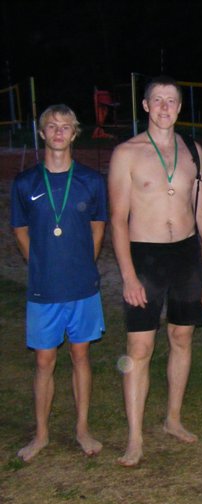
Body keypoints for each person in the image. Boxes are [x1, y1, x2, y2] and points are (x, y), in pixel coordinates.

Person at [109, 75, 202, 467]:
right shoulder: (127, 153)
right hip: (145, 256)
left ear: (180, 107)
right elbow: (117, 220)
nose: (165, 107)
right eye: (158, 101)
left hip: (185, 254)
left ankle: (173, 418)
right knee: (139, 347)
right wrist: (129, 276)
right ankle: (134, 437)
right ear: (146, 106)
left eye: (172, 101)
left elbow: (200, 211)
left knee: (182, 338)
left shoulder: (193, 151)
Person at [11, 104, 107, 461]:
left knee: (81, 355)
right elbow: (20, 229)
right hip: (43, 288)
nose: (58, 132)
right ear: (41, 132)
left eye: (65, 126)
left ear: (74, 132)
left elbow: (98, 226)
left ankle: (82, 429)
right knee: (44, 362)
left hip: (82, 286)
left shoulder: (91, 181)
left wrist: (84, 261)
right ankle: (41, 434)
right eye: (51, 126)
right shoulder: (26, 183)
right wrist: (39, 261)